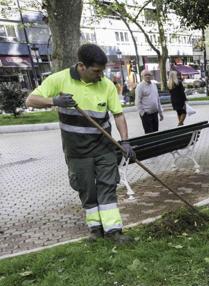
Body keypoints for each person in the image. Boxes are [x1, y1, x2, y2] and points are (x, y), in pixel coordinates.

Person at [25, 43, 133, 243]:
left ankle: (114, 231)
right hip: (77, 151)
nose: (100, 75)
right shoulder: (59, 79)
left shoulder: (106, 85)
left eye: (102, 71)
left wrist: (125, 141)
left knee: (107, 186)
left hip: (104, 148)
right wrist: (55, 102)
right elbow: (30, 100)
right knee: (87, 190)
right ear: (81, 66)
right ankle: (95, 229)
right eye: (96, 71)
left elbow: (118, 115)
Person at [135, 69, 164, 133]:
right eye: (146, 75)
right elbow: (137, 101)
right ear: (142, 76)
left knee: (156, 132)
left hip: (155, 113)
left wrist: (160, 112)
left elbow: (157, 99)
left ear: (151, 76)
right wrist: (143, 114)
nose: (148, 76)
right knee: (149, 133)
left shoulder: (154, 85)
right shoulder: (140, 87)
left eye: (149, 75)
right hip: (146, 115)